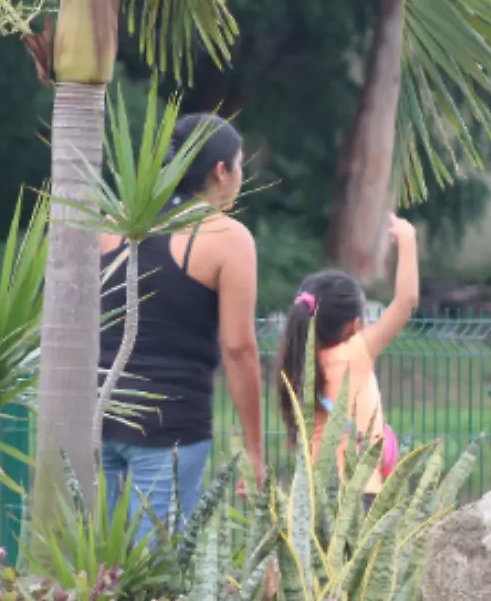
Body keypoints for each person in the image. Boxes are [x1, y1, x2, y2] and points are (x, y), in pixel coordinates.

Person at [98, 113, 266, 541]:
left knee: (93, 576)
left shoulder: (114, 223)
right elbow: (239, 349)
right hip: (167, 429)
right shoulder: (226, 237)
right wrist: (254, 448)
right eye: (240, 165)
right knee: (153, 583)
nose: (241, 177)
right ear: (220, 171)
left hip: (94, 417)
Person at [273, 216, 418, 503]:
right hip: (361, 494)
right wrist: (408, 239)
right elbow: (406, 301)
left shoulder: (296, 363)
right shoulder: (355, 353)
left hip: (314, 498)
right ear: (354, 325)